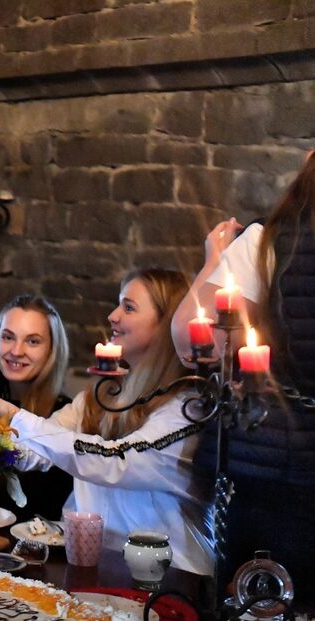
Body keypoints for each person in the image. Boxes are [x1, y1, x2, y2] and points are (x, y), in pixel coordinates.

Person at [0, 268, 215, 576]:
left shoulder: (187, 408)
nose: (112, 316)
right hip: (94, 567)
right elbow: (35, 450)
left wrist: (6, 412)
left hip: (169, 578)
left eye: (128, 307)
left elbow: (113, 460)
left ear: (167, 322)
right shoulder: (102, 396)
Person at [171, 152, 315, 599]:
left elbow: (192, 339)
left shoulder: (267, 243)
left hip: (265, 467)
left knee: (255, 600)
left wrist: (215, 260)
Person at [0, 294, 73, 522]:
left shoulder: (64, 418)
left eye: (33, 341)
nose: (16, 351)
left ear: (52, 350)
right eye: (8, 337)